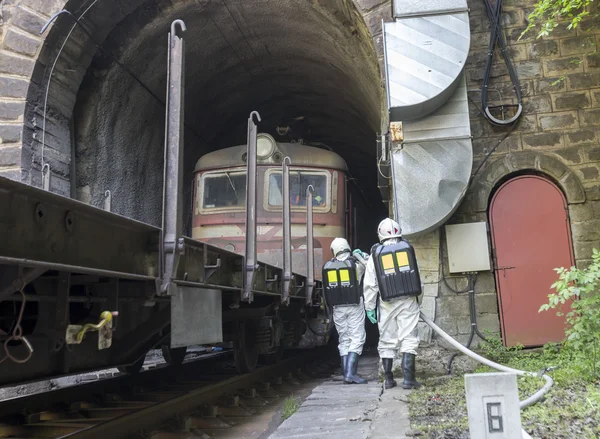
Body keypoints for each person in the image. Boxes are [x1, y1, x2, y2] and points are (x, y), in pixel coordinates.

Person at [363, 218, 422, 390]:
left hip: (386, 302)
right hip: (408, 300)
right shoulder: (407, 249)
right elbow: (418, 277)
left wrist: (369, 308)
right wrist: (419, 300)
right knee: (409, 338)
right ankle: (409, 380)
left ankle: (388, 380)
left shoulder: (376, 255)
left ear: (380, 234)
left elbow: (370, 284)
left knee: (387, 340)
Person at [322, 237, 368, 384]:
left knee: (344, 339)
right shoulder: (355, 264)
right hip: (355, 306)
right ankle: (351, 374)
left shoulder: (328, 266)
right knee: (357, 337)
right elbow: (370, 267)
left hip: (337, 309)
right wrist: (360, 255)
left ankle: (345, 372)